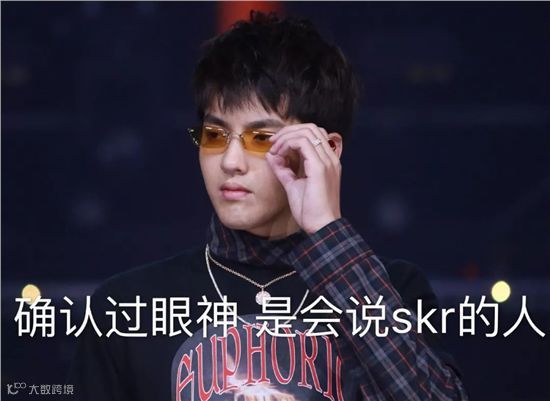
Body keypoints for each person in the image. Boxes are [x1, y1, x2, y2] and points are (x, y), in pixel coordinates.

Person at [70, 11, 469, 401]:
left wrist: (328, 232)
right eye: (215, 135)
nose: (230, 162)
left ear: (325, 150)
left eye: (261, 139)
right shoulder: (127, 306)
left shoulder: (394, 291)